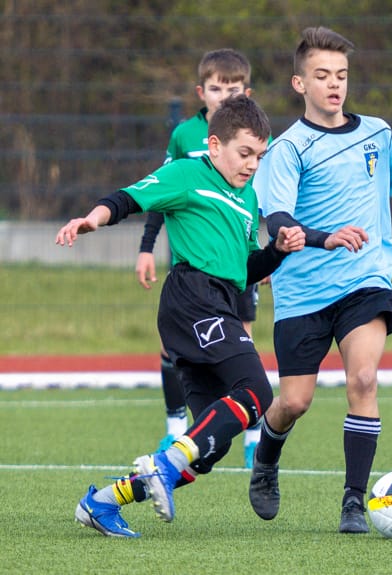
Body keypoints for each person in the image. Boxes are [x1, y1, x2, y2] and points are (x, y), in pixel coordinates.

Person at [247, 26, 392, 533]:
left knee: (363, 378)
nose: (334, 85)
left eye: (341, 75)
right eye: (322, 76)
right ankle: (266, 456)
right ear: (299, 83)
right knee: (294, 401)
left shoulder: (377, 132)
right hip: (303, 291)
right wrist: (325, 236)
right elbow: (278, 223)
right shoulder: (289, 149)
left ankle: (354, 501)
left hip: (365, 279)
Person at [58, 95, 306, 538]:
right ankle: (164, 463)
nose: (252, 165)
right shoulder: (189, 175)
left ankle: (102, 502)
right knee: (256, 393)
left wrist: (276, 253)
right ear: (215, 146)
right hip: (193, 299)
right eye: (244, 153)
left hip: (220, 303)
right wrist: (91, 220)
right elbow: (129, 198)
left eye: (259, 156)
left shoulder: (249, 200)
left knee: (210, 447)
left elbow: (245, 269)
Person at [136, 48, 265, 468]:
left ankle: (246, 434)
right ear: (201, 92)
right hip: (193, 275)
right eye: (216, 88)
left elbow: (251, 210)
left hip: (233, 267)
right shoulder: (185, 139)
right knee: (194, 352)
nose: (224, 95)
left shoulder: (252, 157)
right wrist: (146, 247)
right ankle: (177, 430)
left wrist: (275, 253)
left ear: (246, 91)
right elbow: (159, 193)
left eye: (232, 88)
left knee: (243, 344)